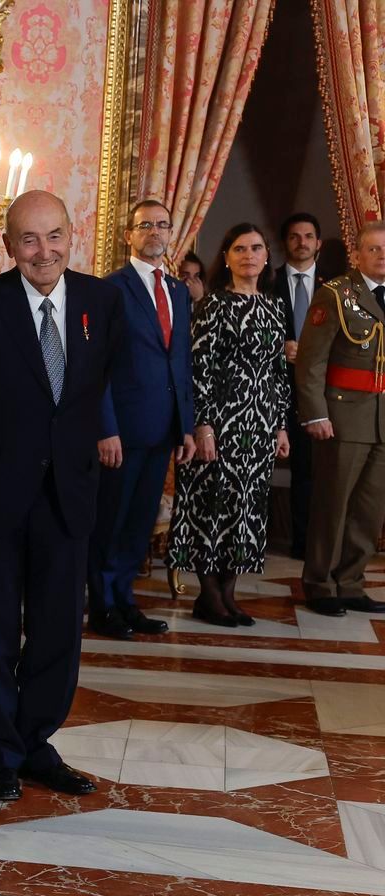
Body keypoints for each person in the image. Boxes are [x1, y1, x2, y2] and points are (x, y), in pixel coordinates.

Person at [0, 191, 125, 802]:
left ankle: (33, 742)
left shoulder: (102, 301)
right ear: (8, 245)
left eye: (53, 236)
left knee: (57, 633)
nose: (42, 251)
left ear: (71, 236)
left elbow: (96, 388)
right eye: (28, 239)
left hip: (68, 493)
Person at [170, 224, 291, 626]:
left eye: (256, 248)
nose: (248, 255)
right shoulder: (213, 305)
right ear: (226, 257)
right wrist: (202, 425)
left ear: (266, 256)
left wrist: (280, 427)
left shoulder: (275, 307)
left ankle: (229, 593)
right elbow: (198, 368)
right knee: (213, 508)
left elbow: (278, 372)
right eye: (239, 248)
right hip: (220, 424)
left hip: (259, 426)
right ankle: (208, 596)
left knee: (247, 509)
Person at [89, 200, 198, 640]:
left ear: (171, 233)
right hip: (122, 431)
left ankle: (125, 601)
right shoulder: (109, 290)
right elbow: (98, 367)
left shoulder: (176, 291)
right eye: (145, 225)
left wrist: (185, 426)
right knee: (110, 522)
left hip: (162, 429)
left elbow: (181, 362)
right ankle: (102, 605)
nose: (155, 231)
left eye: (162, 225)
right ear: (129, 235)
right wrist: (105, 427)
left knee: (138, 522)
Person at [296, 220, 385, 618]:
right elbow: (311, 363)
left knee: (370, 509)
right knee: (333, 505)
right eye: (374, 249)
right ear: (357, 254)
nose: (381, 256)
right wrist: (316, 414)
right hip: (343, 415)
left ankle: (350, 582)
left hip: (382, 420)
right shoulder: (335, 294)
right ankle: (319, 583)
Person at [278, 212, 324, 557]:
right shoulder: (266, 280)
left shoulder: (335, 288)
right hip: (272, 387)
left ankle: (304, 542)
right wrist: (279, 347)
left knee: (309, 470)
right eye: (295, 236)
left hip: (316, 393)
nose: (302, 242)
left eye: (308, 236)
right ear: (285, 243)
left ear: (318, 243)